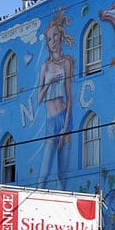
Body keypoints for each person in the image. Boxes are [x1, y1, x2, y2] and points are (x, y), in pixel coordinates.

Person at [37, 11, 74, 188]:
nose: (52, 42)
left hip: (64, 117)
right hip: (51, 120)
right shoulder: (45, 67)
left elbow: (69, 95)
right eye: (49, 39)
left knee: (62, 173)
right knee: (43, 173)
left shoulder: (67, 63)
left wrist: (66, 125)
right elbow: (38, 98)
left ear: (60, 37)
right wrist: (48, 83)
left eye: (54, 37)